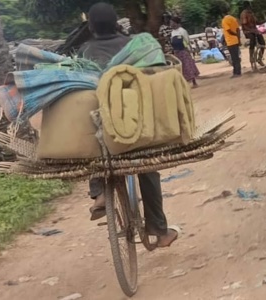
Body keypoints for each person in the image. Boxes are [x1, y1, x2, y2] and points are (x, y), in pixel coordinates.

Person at [79, 2, 179, 248]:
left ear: (90, 27)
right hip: (134, 125)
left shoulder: (84, 51)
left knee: (92, 145)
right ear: (117, 23)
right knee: (147, 168)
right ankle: (159, 230)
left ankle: (99, 191)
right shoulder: (134, 46)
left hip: (102, 127)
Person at [170, 17, 200, 87]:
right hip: (177, 51)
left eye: (172, 22)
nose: (171, 24)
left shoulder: (182, 31)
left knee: (188, 66)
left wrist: (188, 49)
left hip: (183, 50)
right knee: (180, 67)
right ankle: (184, 84)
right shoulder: (172, 32)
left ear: (176, 23)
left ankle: (194, 82)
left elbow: (187, 41)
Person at [221, 8, 241, 78]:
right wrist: (238, 38)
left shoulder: (224, 21)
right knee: (236, 57)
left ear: (222, 14)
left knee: (234, 57)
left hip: (230, 41)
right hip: (235, 40)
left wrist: (234, 34)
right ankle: (238, 71)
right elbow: (238, 29)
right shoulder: (233, 19)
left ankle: (236, 72)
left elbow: (228, 30)